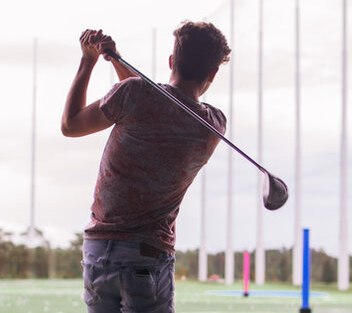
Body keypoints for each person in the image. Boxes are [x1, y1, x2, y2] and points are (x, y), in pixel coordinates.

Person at [61, 21, 231, 312]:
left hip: (99, 250)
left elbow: (71, 125)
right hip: (148, 254)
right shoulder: (213, 125)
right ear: (213, 74)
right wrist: (117, 61)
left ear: (171, 60)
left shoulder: (133, 93)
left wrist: (88, 60)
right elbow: (153, 100)